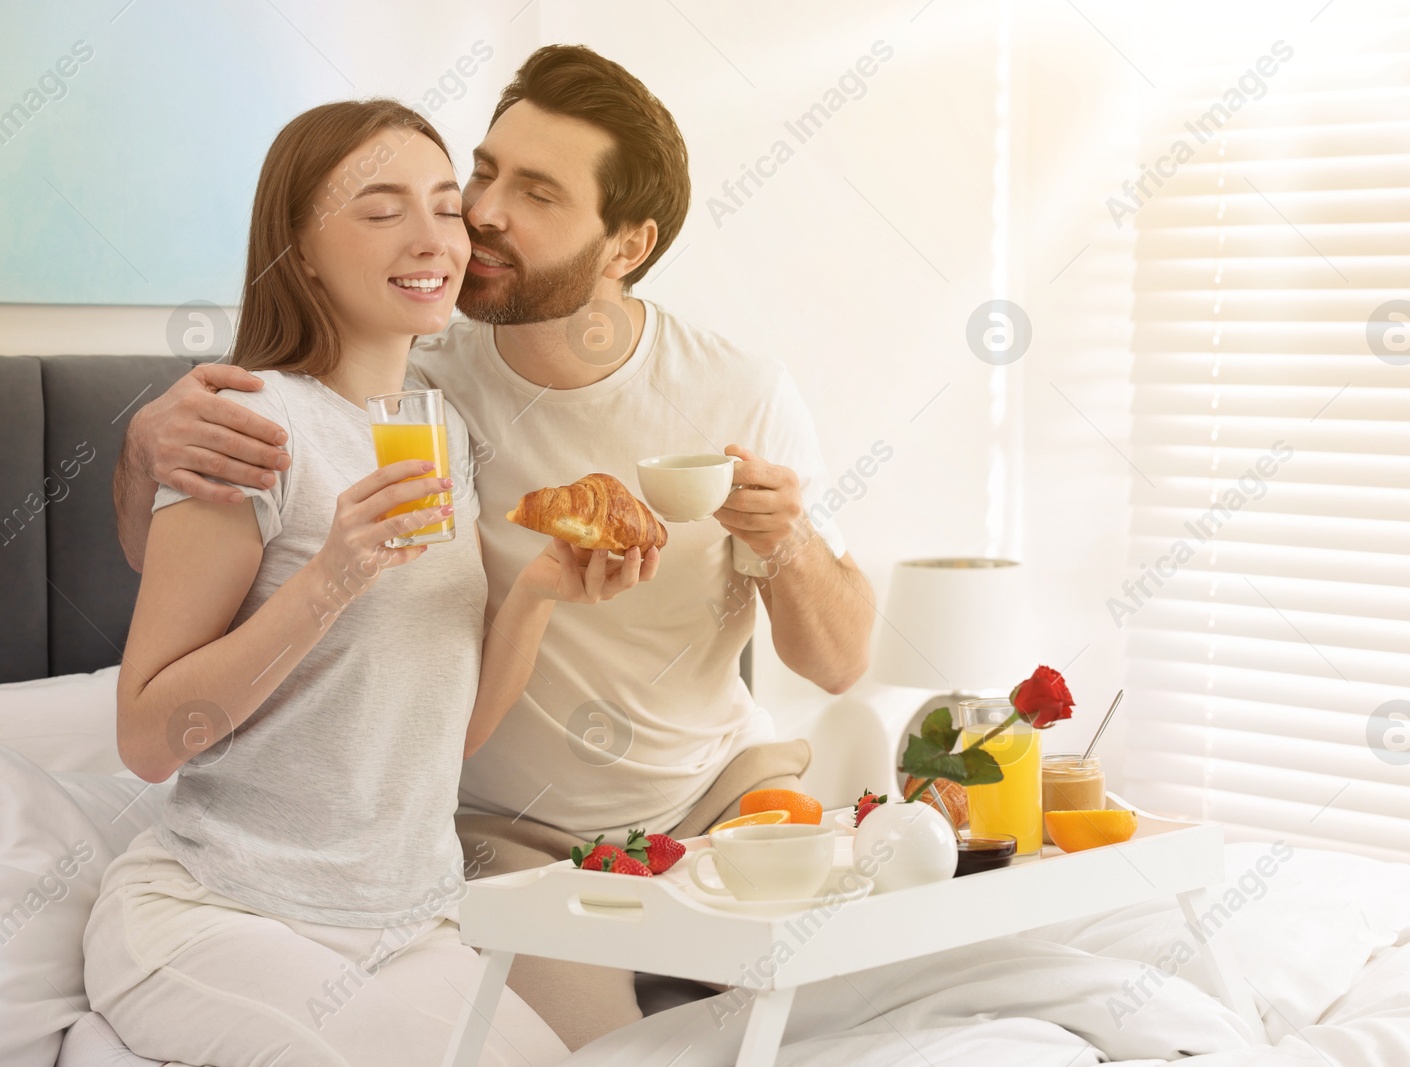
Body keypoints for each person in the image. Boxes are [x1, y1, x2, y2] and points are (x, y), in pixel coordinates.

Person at [112, 45, 876, 1048]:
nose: (472, 220)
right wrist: (139, 447)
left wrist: (762, 545)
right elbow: (164, 664)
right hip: (450, 850)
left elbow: (836, 661)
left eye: (533, 192)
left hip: (680, 801)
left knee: (848, 979)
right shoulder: (347, 402)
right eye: (482, 176)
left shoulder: (683, 395)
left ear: (625, 245)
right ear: (301, 246)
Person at [86, 98, 658, 1067]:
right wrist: (331, 577)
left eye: (445, 205)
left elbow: (445, 733)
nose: (434, 236)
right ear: (300, 248)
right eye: (380, 209)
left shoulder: (435, 425)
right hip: (222, 915)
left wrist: (537, 593)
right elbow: (147, 738)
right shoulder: (249, 424)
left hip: (409, 925)